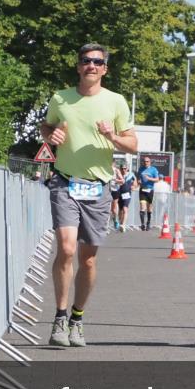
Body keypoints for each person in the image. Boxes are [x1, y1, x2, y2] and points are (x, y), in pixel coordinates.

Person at [39, 43, 137, 348]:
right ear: (78, 66)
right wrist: (50, 135)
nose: (91, 66)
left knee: (89, 260)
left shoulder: (116, 102)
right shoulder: (61, 98)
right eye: (86, 61)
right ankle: (59, 316)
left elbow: (132, 144)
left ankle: (77, 319)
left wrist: (112, 136)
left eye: (97, 62)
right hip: (65, 182)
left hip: (98, 187)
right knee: (66, 249)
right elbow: (47, 126)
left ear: (105, 69)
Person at [137, 156, 161, 230]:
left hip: (150, 190)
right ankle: (142, 224)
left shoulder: (153, 169)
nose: (146, 163)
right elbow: (138, 177)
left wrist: (149, 178)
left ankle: (148, 222)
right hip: (142, 189)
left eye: (147, 161)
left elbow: (157, 179)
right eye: (144, 161)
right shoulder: (141, 169)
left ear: (150, 162)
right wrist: (139, 181)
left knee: (149, 208)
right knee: (142, 206)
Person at [117, 162, 136, 231]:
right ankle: (120, 223)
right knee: (120, 210)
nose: (123, 170)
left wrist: (134, 186)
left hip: (127, 194)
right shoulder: (118, 175)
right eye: (122, 168)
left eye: (125, 168)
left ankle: (123, 225)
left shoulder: (131, 175)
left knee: (125, 209)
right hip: (119, 194)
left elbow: (135, 182)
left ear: (127, 169)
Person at [108, 163, 125, 230]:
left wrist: (116, 180)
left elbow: (123, 181)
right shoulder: (105, 170)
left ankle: (115, 220)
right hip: (108, 190)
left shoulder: (116, 170)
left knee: (114, 209)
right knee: (108, 208)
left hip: (115, 190)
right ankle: (106, 226)